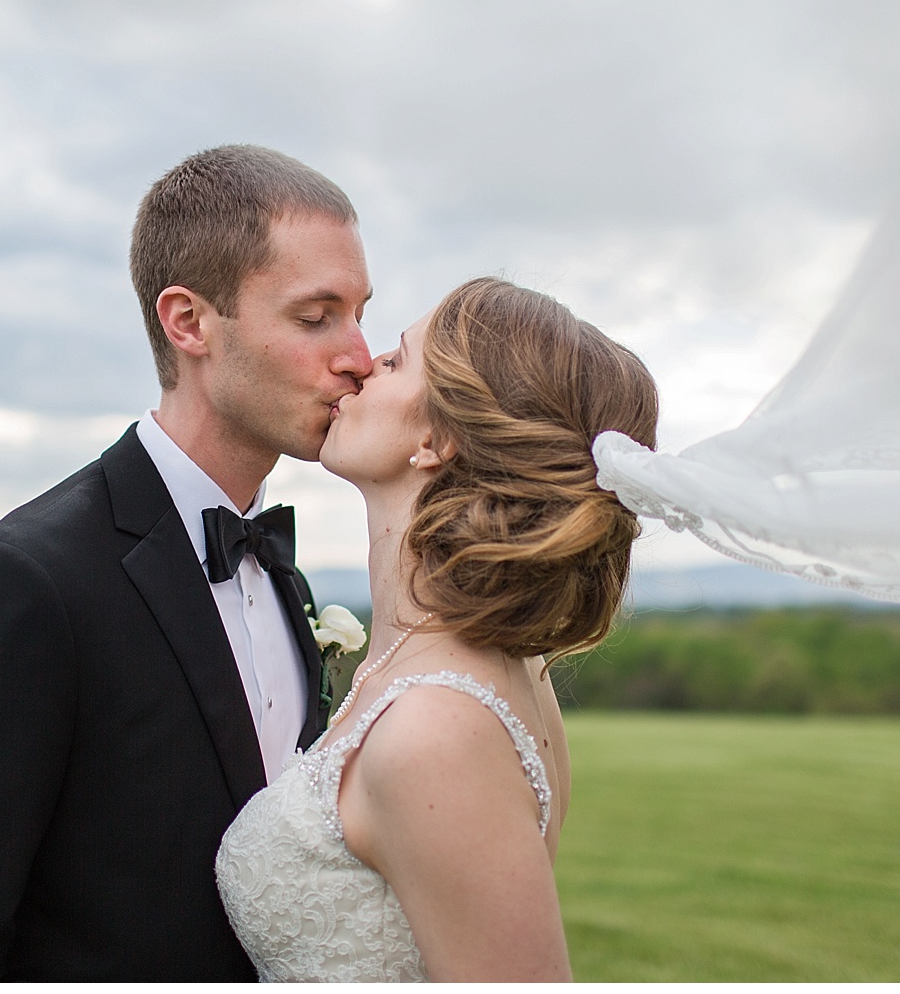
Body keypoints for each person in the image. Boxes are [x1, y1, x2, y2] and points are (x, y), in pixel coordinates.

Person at [0, 145, 373, 980]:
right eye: (316, 317)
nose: (359, 357)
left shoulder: (282, 575)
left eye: (359, 313)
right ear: (188, 321)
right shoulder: (23, 585)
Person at [216, 276, 659, 981]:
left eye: (393, 360)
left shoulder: (438, 729)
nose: (360, 365)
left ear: (437, 437)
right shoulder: (500, 668)